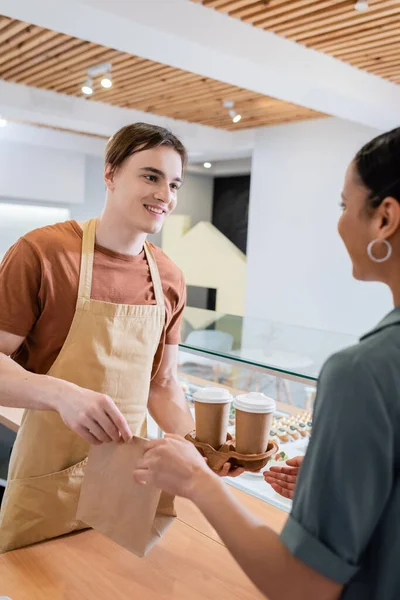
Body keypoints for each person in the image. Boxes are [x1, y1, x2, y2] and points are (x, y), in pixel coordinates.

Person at [134, 127, 400, 599]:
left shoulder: (362, 373)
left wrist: (195, 478)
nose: (339, 223)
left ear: (385, 219)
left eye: (343, 205)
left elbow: (303, 585)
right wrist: (339, 492)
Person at [0, 122, 200, 554]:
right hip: (46, 478)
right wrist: (61, 394)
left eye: (174, 183)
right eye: (150, 176)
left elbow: (162, 384)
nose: (165, 194)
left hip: (128, 483)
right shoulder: (42, 254)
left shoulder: (169, 277)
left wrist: (198, 449)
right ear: (110, 174)